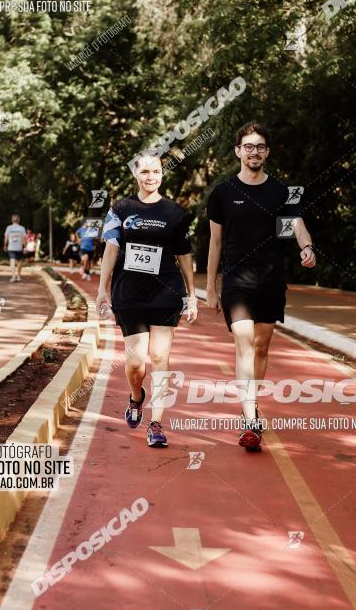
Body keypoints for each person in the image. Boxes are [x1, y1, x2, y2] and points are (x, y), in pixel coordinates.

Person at [206, 121, 316, 452]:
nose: (254, 152)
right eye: (248, 146)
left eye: (260, 147)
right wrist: (210, 287)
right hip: (237, 280)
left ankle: (252, 404)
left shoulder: (281, 192)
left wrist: (306, 248)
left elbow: (298, 225)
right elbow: (214, 243)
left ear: (267, 152)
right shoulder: (223, 193)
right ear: (238, 151)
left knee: (261, 348)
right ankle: (250, 418)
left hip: (270, 280)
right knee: (243, 343)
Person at [96, 150, 198, 448]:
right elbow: (111, 250)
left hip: (165, 290)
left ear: (162, 175)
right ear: (135, 175)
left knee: (159, 358)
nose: (150, 177)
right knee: (137, 363)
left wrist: (192, 295)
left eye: (155, 172)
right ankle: (136, 397)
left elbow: (185, 255)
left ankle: (156, 424)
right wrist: (102, 288)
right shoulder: (120, 209)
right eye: (144, 172)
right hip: (129, 291)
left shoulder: (175, 213)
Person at [3, 214, 27, 282]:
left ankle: (13, 277)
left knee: (12, 261)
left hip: (11, 247)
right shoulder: (22, 228)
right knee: (19, 261)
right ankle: (19, 276)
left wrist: (5, 245)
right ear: (19, 220)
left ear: (12, 220)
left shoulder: (9, 228)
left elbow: (6, 237)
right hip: (19, 248)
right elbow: (24, 239)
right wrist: (25, 247)